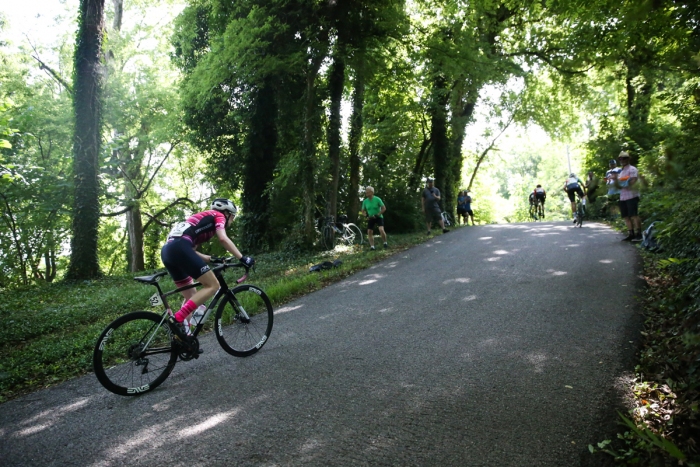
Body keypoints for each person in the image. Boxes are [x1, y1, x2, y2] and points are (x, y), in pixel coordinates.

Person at [161, 198, 254, 340]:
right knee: (213, 285)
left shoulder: (200, 219)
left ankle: (182, 337)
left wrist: (211, 259)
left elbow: (191, 250)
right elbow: (223, 239)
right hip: (180, 248)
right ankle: (178, 318)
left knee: (192, 298)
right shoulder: (219, 216)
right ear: (228, 213)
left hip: (168, 251)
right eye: (233, 217)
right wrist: (243, 258)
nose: (232, 221)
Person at [613, 151, 642, 242]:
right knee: (626, 216)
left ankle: (639, 234)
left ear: (628, 159)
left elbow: (633, 180)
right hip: (623, 196)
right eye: (621, 158)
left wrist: (623, 184)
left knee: (634, 215)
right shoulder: (621, 171)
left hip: (632, 195)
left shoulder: (632, 169)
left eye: (624, 158)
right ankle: (631, 234)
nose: (622, 160)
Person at [361, 186, 388, 250]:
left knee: (381, 229)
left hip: (378, 217)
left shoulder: (377, 199)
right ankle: (372, 246)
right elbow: (362, 211)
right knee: (369, 231)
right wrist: (366, 216)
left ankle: (385, 242)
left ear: (372, 192)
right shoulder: (365, 201)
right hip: (370, 218)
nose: (366, 193)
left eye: (368, 192)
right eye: (366, 192)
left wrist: (377, 215)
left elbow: (384, 208)